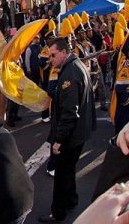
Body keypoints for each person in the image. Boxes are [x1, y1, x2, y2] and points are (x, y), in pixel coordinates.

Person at [39, 37, 96, 223]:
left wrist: (58, 140)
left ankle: (58, 212)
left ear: (64, 52)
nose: (51, 60)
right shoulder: (75, 65)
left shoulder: (69, 74)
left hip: (71, 135)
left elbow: (70, 112)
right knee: (69, 169)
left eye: (54, 55)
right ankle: (71, 200)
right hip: (79, 133)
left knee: (62, 174)